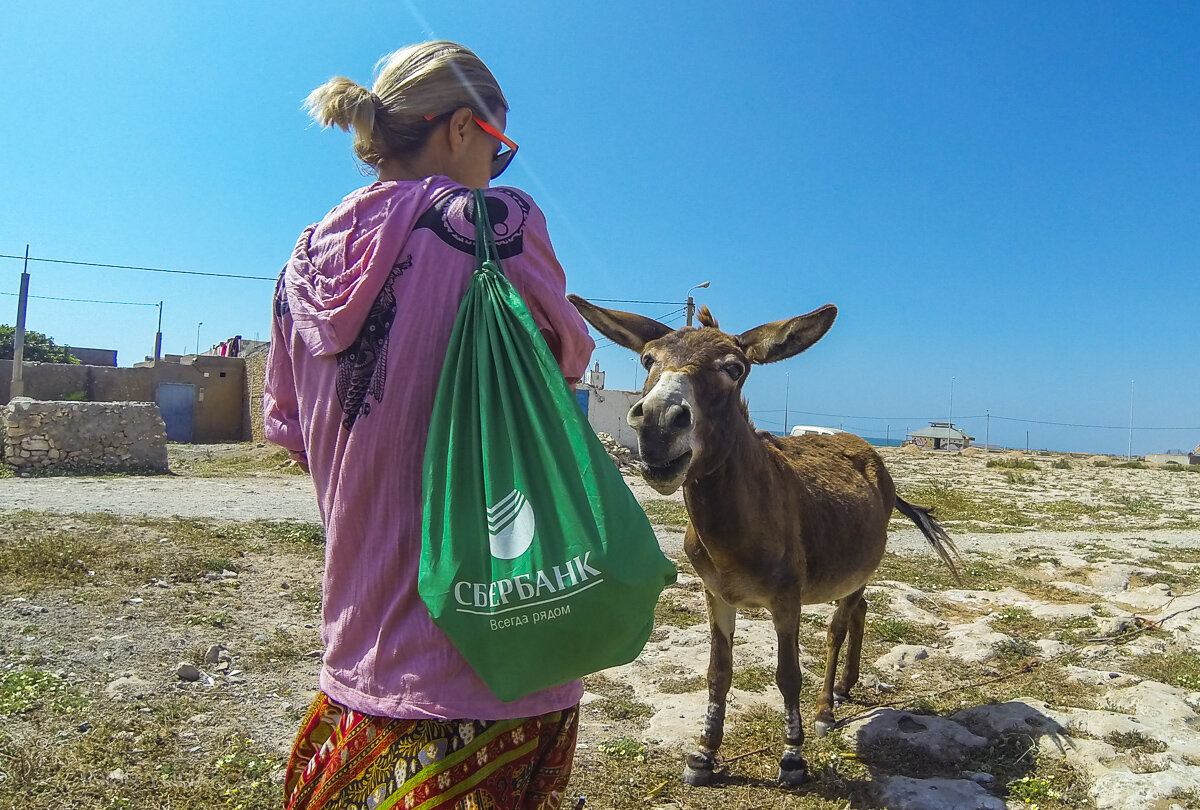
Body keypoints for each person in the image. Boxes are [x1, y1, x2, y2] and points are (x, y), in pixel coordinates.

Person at [263, 40, 594, 810]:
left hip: (358, 656)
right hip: (494, 653)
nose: (499, 170)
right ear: (457, 130)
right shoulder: (495, 226)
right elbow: (569, 354)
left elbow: (292, 435)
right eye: (499, 148)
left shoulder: (299, 270)